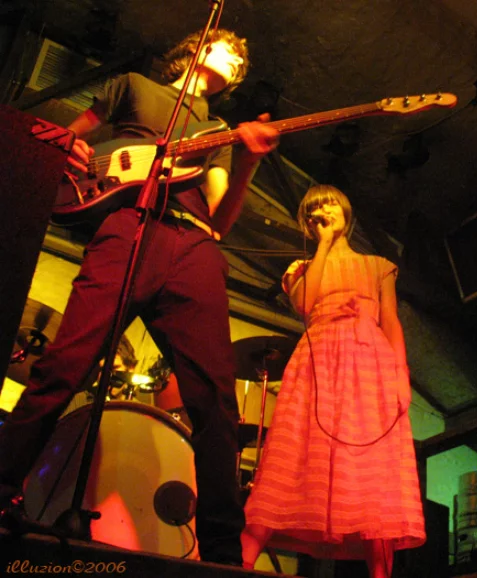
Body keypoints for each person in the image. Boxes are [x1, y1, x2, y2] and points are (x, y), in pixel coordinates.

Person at [0, 28, 279, 566]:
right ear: (197, 47)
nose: (236, 61)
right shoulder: (133, 87)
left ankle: (223, 551)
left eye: (241, 63)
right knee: (63, 365)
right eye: (229, 48)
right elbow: (62, 136)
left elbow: (221, 219)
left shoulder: (218, 130)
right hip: (126, 223)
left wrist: (248, 162)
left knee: (215, 400)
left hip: (193, 243)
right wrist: (69, 147)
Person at [240, 185, 425, 577]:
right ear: (308, 223)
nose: (325, 209)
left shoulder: (378, 265)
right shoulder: (300, 268)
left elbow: (390, 321)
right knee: (290, 460)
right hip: (318, 363)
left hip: (370, 363)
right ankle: (236, 564)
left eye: (331, 203)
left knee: (374, 469)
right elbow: (306, 305)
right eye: (315, 208)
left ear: (346, 211)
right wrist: (321, 247)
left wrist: (400, 375)